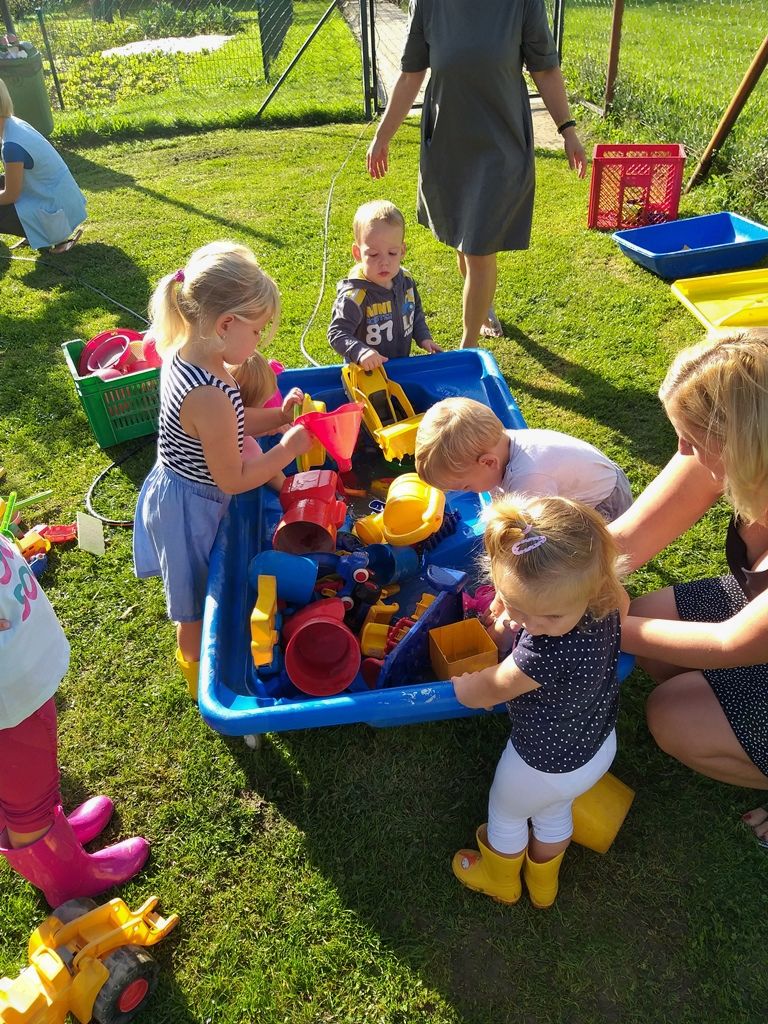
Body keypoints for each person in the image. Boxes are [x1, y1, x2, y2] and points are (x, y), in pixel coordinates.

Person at [133, 240, 313, 698]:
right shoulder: (208, 391)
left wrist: (277, 418)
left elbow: (231, 420)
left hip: (188, 489)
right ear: (226, 324)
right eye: (257, 330)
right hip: (188, 508)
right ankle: (201, 686)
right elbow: (232, 477)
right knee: (192, 609)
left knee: (201, 590)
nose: (260, 341)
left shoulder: (196, 356)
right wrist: (286, 449)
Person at [611, 328, 768, 841]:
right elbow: (624, 540)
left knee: (673, 715)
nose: (681, 449)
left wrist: (590, 620)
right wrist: (547, 577)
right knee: (648, 628)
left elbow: (733, 643)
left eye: (693, 440)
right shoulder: (741, 452)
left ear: (745, 443)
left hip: (750, 636)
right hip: (756, 613)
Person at [365, 0, 586, 349]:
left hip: (501, 144)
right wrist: (383, 136)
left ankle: (467, 348)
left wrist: (567, 129)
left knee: (479, 248)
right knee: (463, 240)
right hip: (449, 144)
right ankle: (483, 306)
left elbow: (544, 69)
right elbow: (410, 74)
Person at [451, 494, 626, 908]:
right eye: (518, 608)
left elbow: (494, 687)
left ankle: (501, 881)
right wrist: (511, 608)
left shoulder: (544, 652)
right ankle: (544, 889)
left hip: (541, 764)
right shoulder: (605, 600)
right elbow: (536, 613)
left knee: (508, 813)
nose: (531, 625)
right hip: (596, 745)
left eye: (549, 616)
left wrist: (466, 688)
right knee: (552, 811)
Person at [0, 534, 149, 906]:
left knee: (33, 778)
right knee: (26, 799)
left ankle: (55, 838)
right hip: (7, 696)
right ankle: (67, 879)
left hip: (16, 670)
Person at [415, 397, 632, 521]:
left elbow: (535, 533)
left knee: (589, 562)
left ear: (488, 462)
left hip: (604, 501)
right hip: (594, 478)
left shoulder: (529, 478)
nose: (469, 491)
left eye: (467, 486)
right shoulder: (499, 447)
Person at [328, 199, 441, 368]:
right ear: (357, 253)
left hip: (398, 366)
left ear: (402, 251)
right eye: (373, 254)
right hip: (365, 373)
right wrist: (360, 352)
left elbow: (414, 312)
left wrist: (424, 338)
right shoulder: (355, 295)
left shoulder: (406, 281)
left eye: (392, 253)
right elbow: (337, 333)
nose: (384, 262)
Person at [0, 79, 86, 253]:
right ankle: (35, 232)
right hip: (63, 202)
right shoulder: (14, 123)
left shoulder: (12, 145)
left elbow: (10, 195)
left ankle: (50, 235)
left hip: (56, 214)